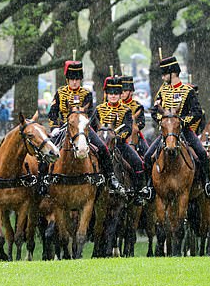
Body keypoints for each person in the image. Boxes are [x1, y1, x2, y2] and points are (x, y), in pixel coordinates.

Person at [39, 60, 123, 196]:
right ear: (67, 79)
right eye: (72, 79)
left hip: (83, 129)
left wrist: (84, 125)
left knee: (102, 148)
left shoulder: (86, 94)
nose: (74, 82)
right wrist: (54, 127)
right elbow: (53, 113)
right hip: (64, 128)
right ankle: (43, 181)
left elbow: (91, 113)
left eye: (77, 79)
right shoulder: (60, 93)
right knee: (47, 151)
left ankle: (110, 177)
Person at [142, 56, 210, 196]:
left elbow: (197, 112)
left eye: (164, 73)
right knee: (147, 157)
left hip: (184, 131)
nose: (162, 77)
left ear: (172, 73)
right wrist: (164, 121)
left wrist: (181, 122)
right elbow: (154, 111)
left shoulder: (188, 91)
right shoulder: (162, 91)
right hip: (166, 133)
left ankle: (207, 183)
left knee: (202, 154)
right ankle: (149, 187)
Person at [91, 76, 147, 200]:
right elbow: (92, 127)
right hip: (101, 145)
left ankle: (138, 192)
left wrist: (117, 138)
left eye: (116, 93)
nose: (113, 96)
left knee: (138, 163)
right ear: (106, 94)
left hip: (119, 144)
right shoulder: (99, 109)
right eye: (111, 93)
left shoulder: (126, 110)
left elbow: (127, 129)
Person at [120, 75, 148, 157]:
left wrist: (134, 126)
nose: (122, 93)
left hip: (134, 136)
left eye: (125, 91)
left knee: (148, 155)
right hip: (119, 134)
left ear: (131, 92)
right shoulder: (117, 105)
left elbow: (141, 123)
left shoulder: (137, 106)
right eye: (121, 91)